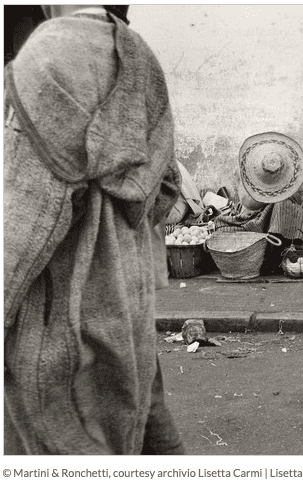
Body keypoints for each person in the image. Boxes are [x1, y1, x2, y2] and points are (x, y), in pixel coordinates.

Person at [4, 5, 185, 454]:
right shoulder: (141, 57)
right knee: (139, 429)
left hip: (57, 329)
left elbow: (19, 227)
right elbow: (166, 192)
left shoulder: (47, 57)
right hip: (129, 313)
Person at [214, 132, 303, 274]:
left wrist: (284, 190)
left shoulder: (298, 162)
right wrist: (265, 194)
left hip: (297, 213)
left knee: (283, 207)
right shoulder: (250, 167)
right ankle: (265, 257)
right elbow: (248, 202)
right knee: (225, 226)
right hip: (259, 213)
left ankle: (284, 255)